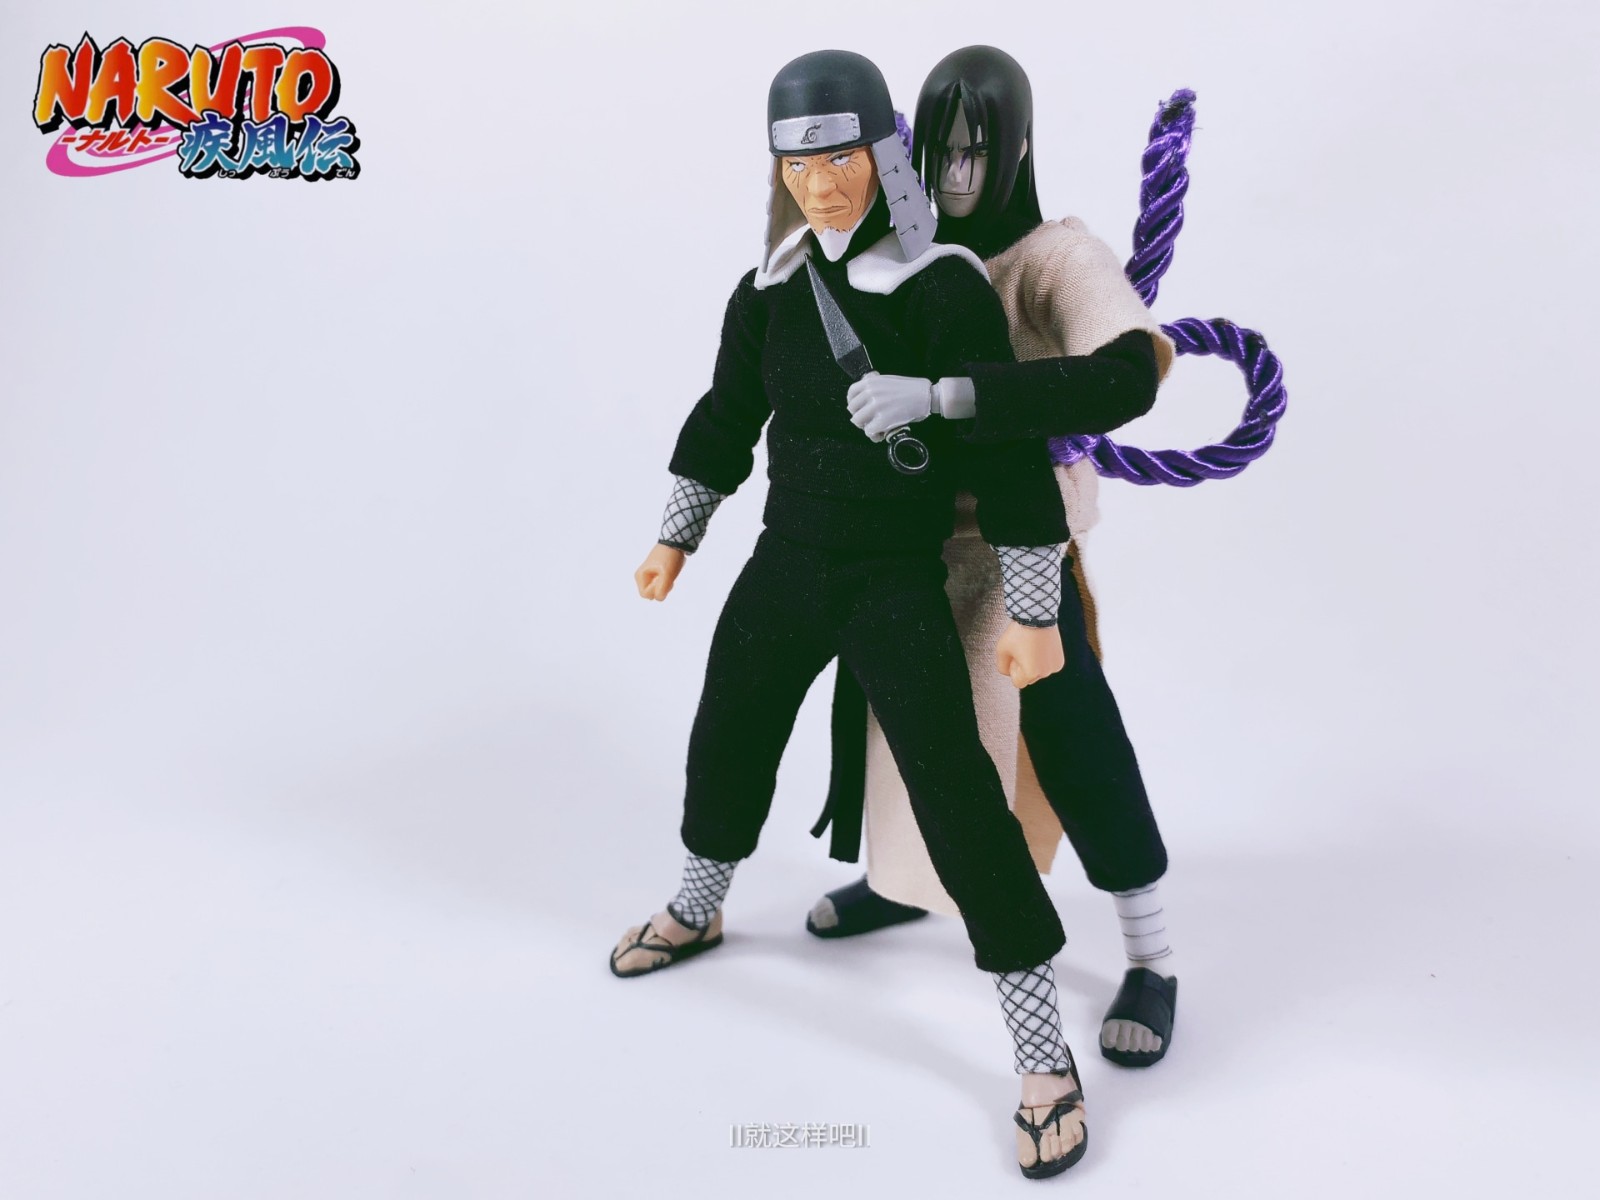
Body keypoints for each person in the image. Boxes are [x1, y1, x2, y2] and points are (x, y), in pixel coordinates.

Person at [608, 49, 1089, 1178]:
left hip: (892, 578)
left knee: (957, 795)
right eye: (797, 163)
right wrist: (677, 533)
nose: (820, 184)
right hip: (785, 562)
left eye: (840, 158)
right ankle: (698, 904)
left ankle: (1039, 1053)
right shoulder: (770, 290)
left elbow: (1008, 455)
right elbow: (726, 416)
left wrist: (1032, 609)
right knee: (729, 732)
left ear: (883, 154)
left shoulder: (943, 288)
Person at [805, 45, 1182, 1073]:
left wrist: (955, 398)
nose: (958, 174)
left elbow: (1126, 374)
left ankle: (1151, 953)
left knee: (1071, 739)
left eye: (977, 150)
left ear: (1017, 148)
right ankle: (904, 879)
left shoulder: (1053, 259)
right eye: (939, 153)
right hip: (905, 546)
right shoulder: (896, 248)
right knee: (898, 729)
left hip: (1023, 553)